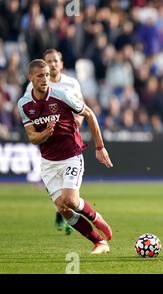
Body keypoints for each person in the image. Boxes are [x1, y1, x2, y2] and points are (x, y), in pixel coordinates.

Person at [17, 59, 113, 254]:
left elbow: (90, 114)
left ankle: (95, 217)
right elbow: (32, 137)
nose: (45, 79)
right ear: (30, 78)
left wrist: (99, 147)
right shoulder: (24, 104)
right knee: (63, 208)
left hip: (71, 155)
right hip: (48, 163)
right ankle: (99, 242)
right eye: (40, 76)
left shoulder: (61, 95)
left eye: (46, 75)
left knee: (69, 199)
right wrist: (44, 134)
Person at [26, 49, 86, 235]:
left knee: (70, 186)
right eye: (49, 61)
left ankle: (66, 211)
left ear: (61, 63)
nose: (52, 64)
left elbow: (82, 106)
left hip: (68, 138)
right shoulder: (37, 84)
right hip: (48, 141)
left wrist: (78, 122)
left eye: (55, 61)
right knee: (58, 183)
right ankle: (63, 211)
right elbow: (27, 108)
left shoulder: (71, 83)